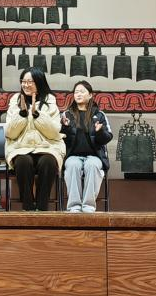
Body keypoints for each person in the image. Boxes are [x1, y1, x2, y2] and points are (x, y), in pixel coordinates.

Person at [5, 67, 65, 211]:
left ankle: (42, 206)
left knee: (48, 162)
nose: (25, 85)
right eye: (23, 81)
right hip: (20, 147)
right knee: (23, 162)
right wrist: (22, 115)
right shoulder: (15, 100)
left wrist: (38, 115)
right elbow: (10, 133)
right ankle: (28, 206)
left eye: (30, 82)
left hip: (47, 147)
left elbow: (54, 133)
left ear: (39, 82)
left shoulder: (50, 101)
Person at [61, 80, 113, 213]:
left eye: (82, 92)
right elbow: (61, 139)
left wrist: (100, 131)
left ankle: (88, 207)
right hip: (73, 155)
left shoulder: (99, 115)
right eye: (76, 92)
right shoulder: (67, 115)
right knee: (73, 165)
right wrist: (65, 128)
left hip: (94, 156)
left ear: (90, 95)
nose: (78, 94)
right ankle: (74, 207)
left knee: (92, 165)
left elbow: (107, 138)